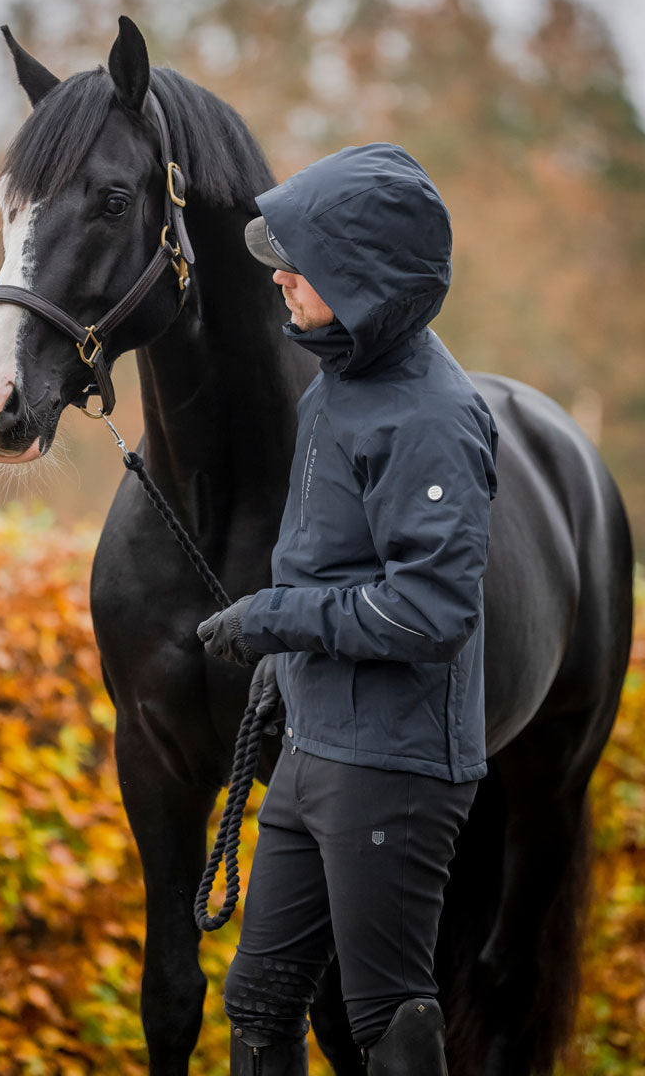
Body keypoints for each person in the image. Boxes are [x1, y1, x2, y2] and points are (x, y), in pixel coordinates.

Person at [197, 143, 498, 1076]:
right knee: (257, 1001)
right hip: (315, 744)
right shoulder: (337, 383)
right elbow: (330, 558)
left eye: (306, 262)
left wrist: (273, 622)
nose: (281, 276)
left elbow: (430, 612)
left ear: (368, 279)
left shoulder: (433, 417)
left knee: (386, 1020)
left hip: (396, 765)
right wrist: (286, 678)